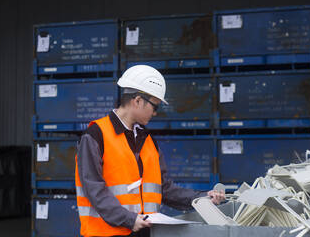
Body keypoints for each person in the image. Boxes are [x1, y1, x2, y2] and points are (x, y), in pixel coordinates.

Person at [75, 65, 225, 237]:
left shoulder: (148, 141)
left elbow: (165, 189)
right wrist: (129, 219)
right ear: (137, 100)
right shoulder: (95, 136)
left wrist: (202, 199)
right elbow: (94, 190)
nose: (155, 113)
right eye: (155, 107)